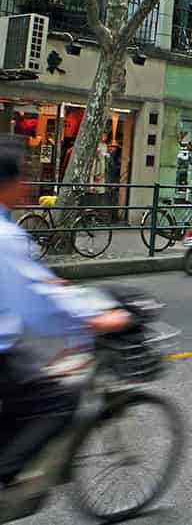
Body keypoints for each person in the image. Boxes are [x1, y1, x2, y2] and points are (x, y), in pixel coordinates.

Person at [0, 139, 129, 495]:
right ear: (9, 183)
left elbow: (24, 281)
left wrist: (42, 280)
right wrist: (94, 318)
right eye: (23, 176)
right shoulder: (6, 237)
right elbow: (37, 305)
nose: (28, 184)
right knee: (60, 399)